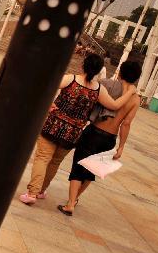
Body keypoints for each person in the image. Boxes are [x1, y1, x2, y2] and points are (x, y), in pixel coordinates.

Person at [19, 53, 137, 205]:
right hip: (73, 133)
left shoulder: (71, 79)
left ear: (83, 65)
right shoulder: (99, 89)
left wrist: (49, 104)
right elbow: (115, 105)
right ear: (99, 70)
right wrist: (130, 92)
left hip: (53, 125)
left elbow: (47, 86)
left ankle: (32, 193)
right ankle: (41, 190)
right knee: (55, 162)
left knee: (42, 158)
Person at [57, 61, 142, 216]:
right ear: (137, 77)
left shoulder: (109, 86)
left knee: (78, 166)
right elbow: (126, 124)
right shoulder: (136, 99)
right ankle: (75, 199)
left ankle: (70, 204)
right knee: (92, 170)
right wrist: (121, 146)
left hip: (94, 132)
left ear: (120, 72)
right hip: (110, 138)